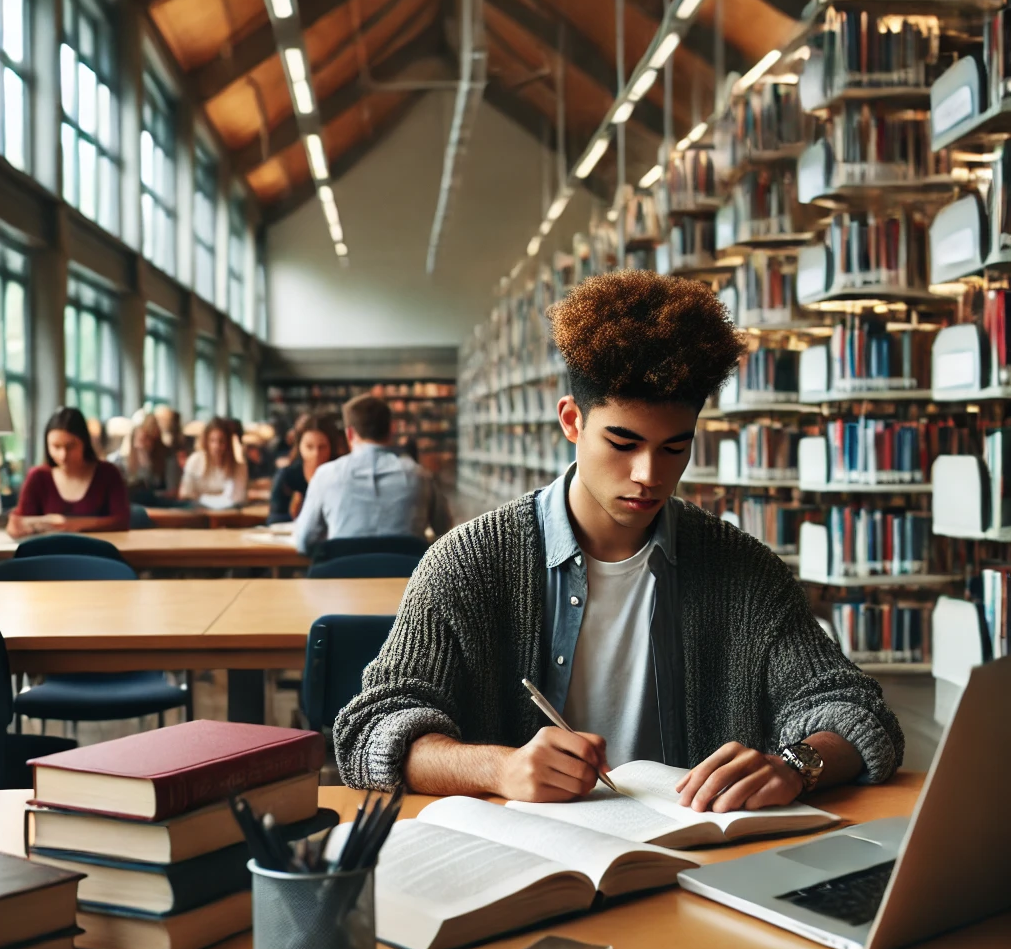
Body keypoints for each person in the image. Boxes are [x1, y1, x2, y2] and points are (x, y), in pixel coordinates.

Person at [333, 271, 904, 810]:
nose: (648, 474)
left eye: (674, 448)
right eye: (623, 442)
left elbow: (855, 709)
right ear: (571, 421)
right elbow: (370, 730)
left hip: (694, 869)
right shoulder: (467, 563)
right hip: (524, 872)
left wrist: (797, 765)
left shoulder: (744, 572)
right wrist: (499, 768)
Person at [293, 393, 453, 552]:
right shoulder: (420, 476)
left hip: (343, 574)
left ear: (349, 433)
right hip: (406, 575)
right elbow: (445, 533)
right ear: (391, 430)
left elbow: (304, 542)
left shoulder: (325, 475)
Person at [7, 406, 131, 538]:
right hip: (49, 554)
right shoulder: (38, 477)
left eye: (70, 446)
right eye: (56, 446)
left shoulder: (108, 473)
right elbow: (15, 526)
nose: (63, 455)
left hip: (97, 553)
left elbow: (121, 521)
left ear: (84, 442)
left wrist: (69, 525)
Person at [267, 413, 344, 525]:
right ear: (300, 447)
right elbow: (273, 518)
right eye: (309, 447)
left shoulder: (341, 474)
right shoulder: (288, 475)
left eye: (322, 447)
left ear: (331, 447)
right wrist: (295, 515)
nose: (316, 454)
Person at [178, 416, 248, 509]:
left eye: (221, 441)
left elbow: (238, 498)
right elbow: (186, 493)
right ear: (206, 441)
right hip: (197, 515)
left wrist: (201, 497)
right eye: (212, 441)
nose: (216, 446)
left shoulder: (238, 465)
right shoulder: (195, 461)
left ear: (228, 443)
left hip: (229, 516)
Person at [111, 413, 182, 502]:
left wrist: (150, 495)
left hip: (162, 506)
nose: (144, 445)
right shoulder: (122, 460)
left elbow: (172, 492)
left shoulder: (169, 457)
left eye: (147, 438)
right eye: (140, 439)